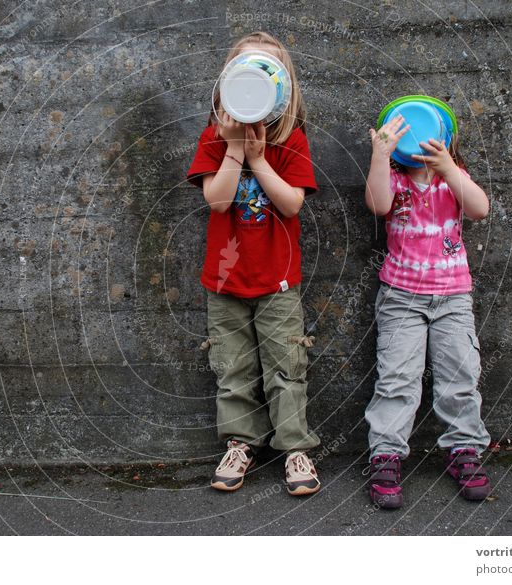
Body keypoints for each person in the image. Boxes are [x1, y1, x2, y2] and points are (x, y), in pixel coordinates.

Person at [186, 32, 321, 496]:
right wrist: (233, 148)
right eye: (245, 69)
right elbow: (219, 201)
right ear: (227, 81)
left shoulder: (291, 138)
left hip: (278, 282)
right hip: (224, 282)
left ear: (282, 85)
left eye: (267, 69)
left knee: (286, 366)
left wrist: (260, 159)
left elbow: (291, 205)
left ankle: (294, 448)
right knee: (233, 369)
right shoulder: (212, 137)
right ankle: (240, 442)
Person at [363, 106, 493, 508]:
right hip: (402, 296)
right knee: (397, 379)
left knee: (460, 375)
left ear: (447, 140)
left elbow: (479, 209)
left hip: (453, 296)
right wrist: (380, 155)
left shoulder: (453, 179)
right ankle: (385, 454)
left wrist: (450, 168)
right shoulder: (396, 181)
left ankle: (463, 449)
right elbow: (377, 203)